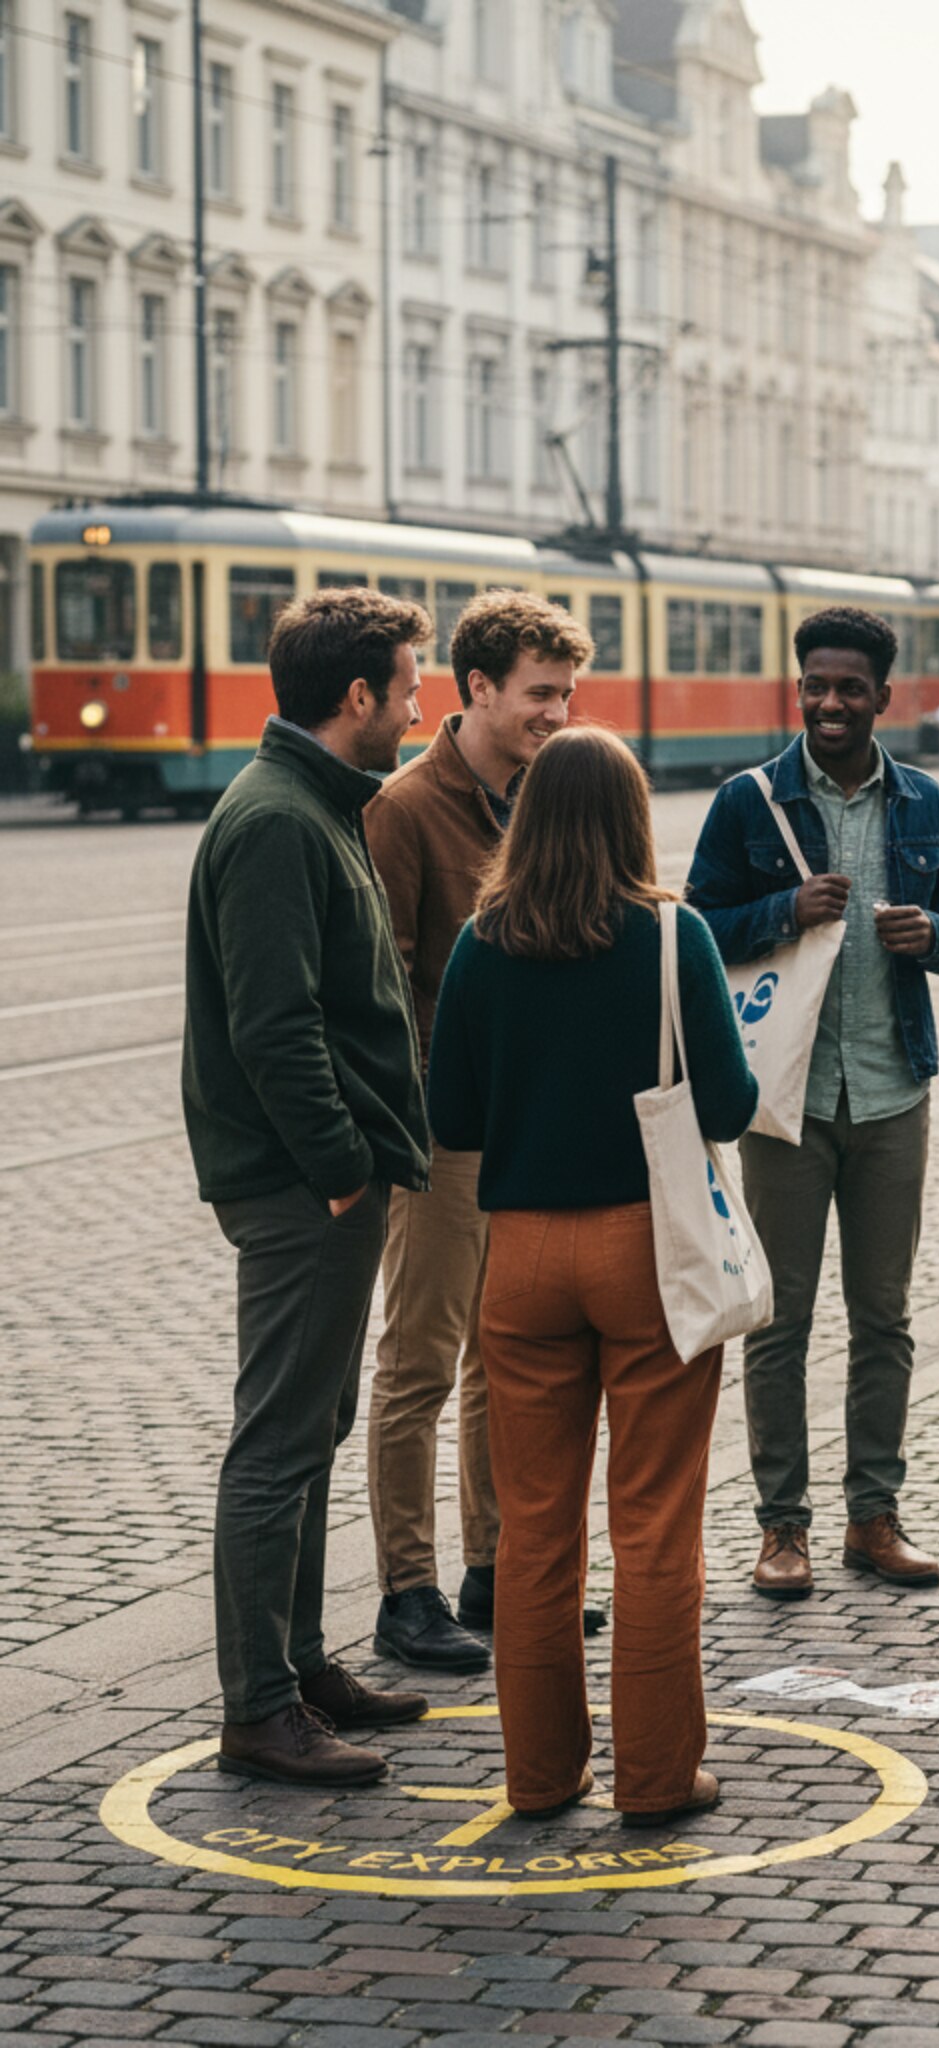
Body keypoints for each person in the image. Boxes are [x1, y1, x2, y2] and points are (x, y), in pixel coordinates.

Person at [428, 725, 758, 1821]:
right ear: (630, 817)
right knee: (654, 1525)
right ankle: (657, 1778)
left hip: (521, 1256)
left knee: (532, 1530)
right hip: (647, 1249)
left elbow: (451, 1116)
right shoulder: (671, 935)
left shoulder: (481, 942)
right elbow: (729, 1105)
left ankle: (538, 1774)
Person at [183, 587, 435, 1787]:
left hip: (327, 1176)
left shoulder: (318, 803)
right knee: (278, 1439)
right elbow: (274, 1025)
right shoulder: (280, 820)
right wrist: (338, 1167)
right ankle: (259, 1706)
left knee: (315, 1425)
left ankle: (297, 1666)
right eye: (409, 688)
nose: (418, 710)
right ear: (357, 695)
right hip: (302, 1183)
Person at [688, 606, 939, 1599]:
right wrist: (783, 909)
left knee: (883, 1317)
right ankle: (782, 1526)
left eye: (849, 687)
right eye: (815, 685)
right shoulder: (747, 801)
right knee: (779, 1321)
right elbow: (696, 929)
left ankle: (873, 1516)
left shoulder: (924, 803)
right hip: (788, 1097)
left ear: (881, 696)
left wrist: (931, 934)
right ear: (799, 689)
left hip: (892, 1089)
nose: (829, 702)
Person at [362, 590, 590, 1676]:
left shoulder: (543, 799)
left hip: (527, 1125)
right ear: (480, 688)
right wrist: (430, 1112)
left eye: (566, 694)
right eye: (540, 693)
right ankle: (405, 1591)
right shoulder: (406, 809)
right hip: (442, 1129)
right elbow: (387, 986)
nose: (557, 713)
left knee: (506, 1355)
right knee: (419, 1358)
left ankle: (495, 1571)